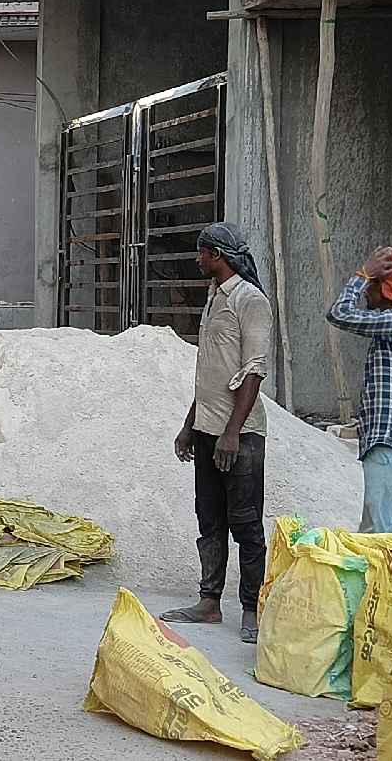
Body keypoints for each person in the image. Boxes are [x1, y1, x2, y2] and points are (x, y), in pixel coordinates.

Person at [161, 222, 273, 645]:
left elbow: (253, 372)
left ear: (217, 256)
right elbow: (208, 373)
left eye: (201, 253)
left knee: (246, 525)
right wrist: (190, 426)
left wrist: (231, 432)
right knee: (209, 519)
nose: (197, 260)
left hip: (239, 436)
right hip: (208, 430)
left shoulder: (250, 300)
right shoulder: (213, 298)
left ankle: (251, 609)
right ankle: (209, 602)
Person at [327, 246, 392, 533]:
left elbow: (339, 314)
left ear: (388, 289)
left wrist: (362, 274)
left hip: (389, 443)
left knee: (376, 538)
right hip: (390, 445)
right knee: (391, 540)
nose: (366, 293)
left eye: (371, 286)